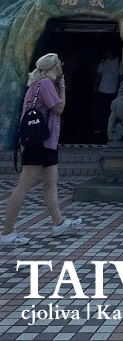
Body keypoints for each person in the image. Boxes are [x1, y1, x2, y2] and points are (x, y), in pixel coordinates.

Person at [0, 53, 83, 245]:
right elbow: (59, 108)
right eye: (60, 64)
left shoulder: (37, 84)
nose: (62, 67)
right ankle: (6, 232)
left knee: (51, 182)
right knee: (24, 185)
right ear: (54, 67)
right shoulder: (45, 84)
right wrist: (62, 86)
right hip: (39, 144)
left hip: (46, 143)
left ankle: (58, 222)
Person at [93, 50, 122, 141]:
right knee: (101, 112)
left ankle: (109, 131)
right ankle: (100, 131)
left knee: (110, 112)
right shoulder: (103, 61)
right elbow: (99, 75)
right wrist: (96, 87)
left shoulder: (119, 62)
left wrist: (119, 89)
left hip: (112, 91)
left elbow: (121, 76)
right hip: (102, 90)